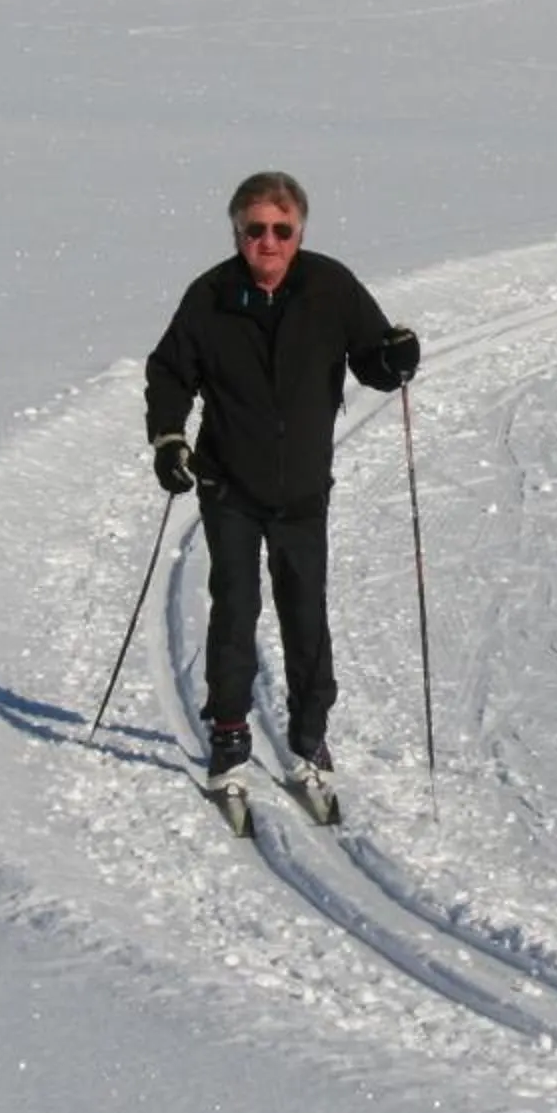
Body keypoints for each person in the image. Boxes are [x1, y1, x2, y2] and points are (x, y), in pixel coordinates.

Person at [145, 170, 418, 790]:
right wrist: (168, 439)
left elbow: (374, 360)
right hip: (229, 487)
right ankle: (230, 729)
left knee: (305, 608)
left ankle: (307, 732)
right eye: (254, 230)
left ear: (299, 232)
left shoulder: (330, 286)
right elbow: (168, 373)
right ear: (237, 233)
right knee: (235, 607)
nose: (267, 242)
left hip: (301, 489)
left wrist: (396, 357)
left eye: (280, 229)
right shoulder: (209, 297)